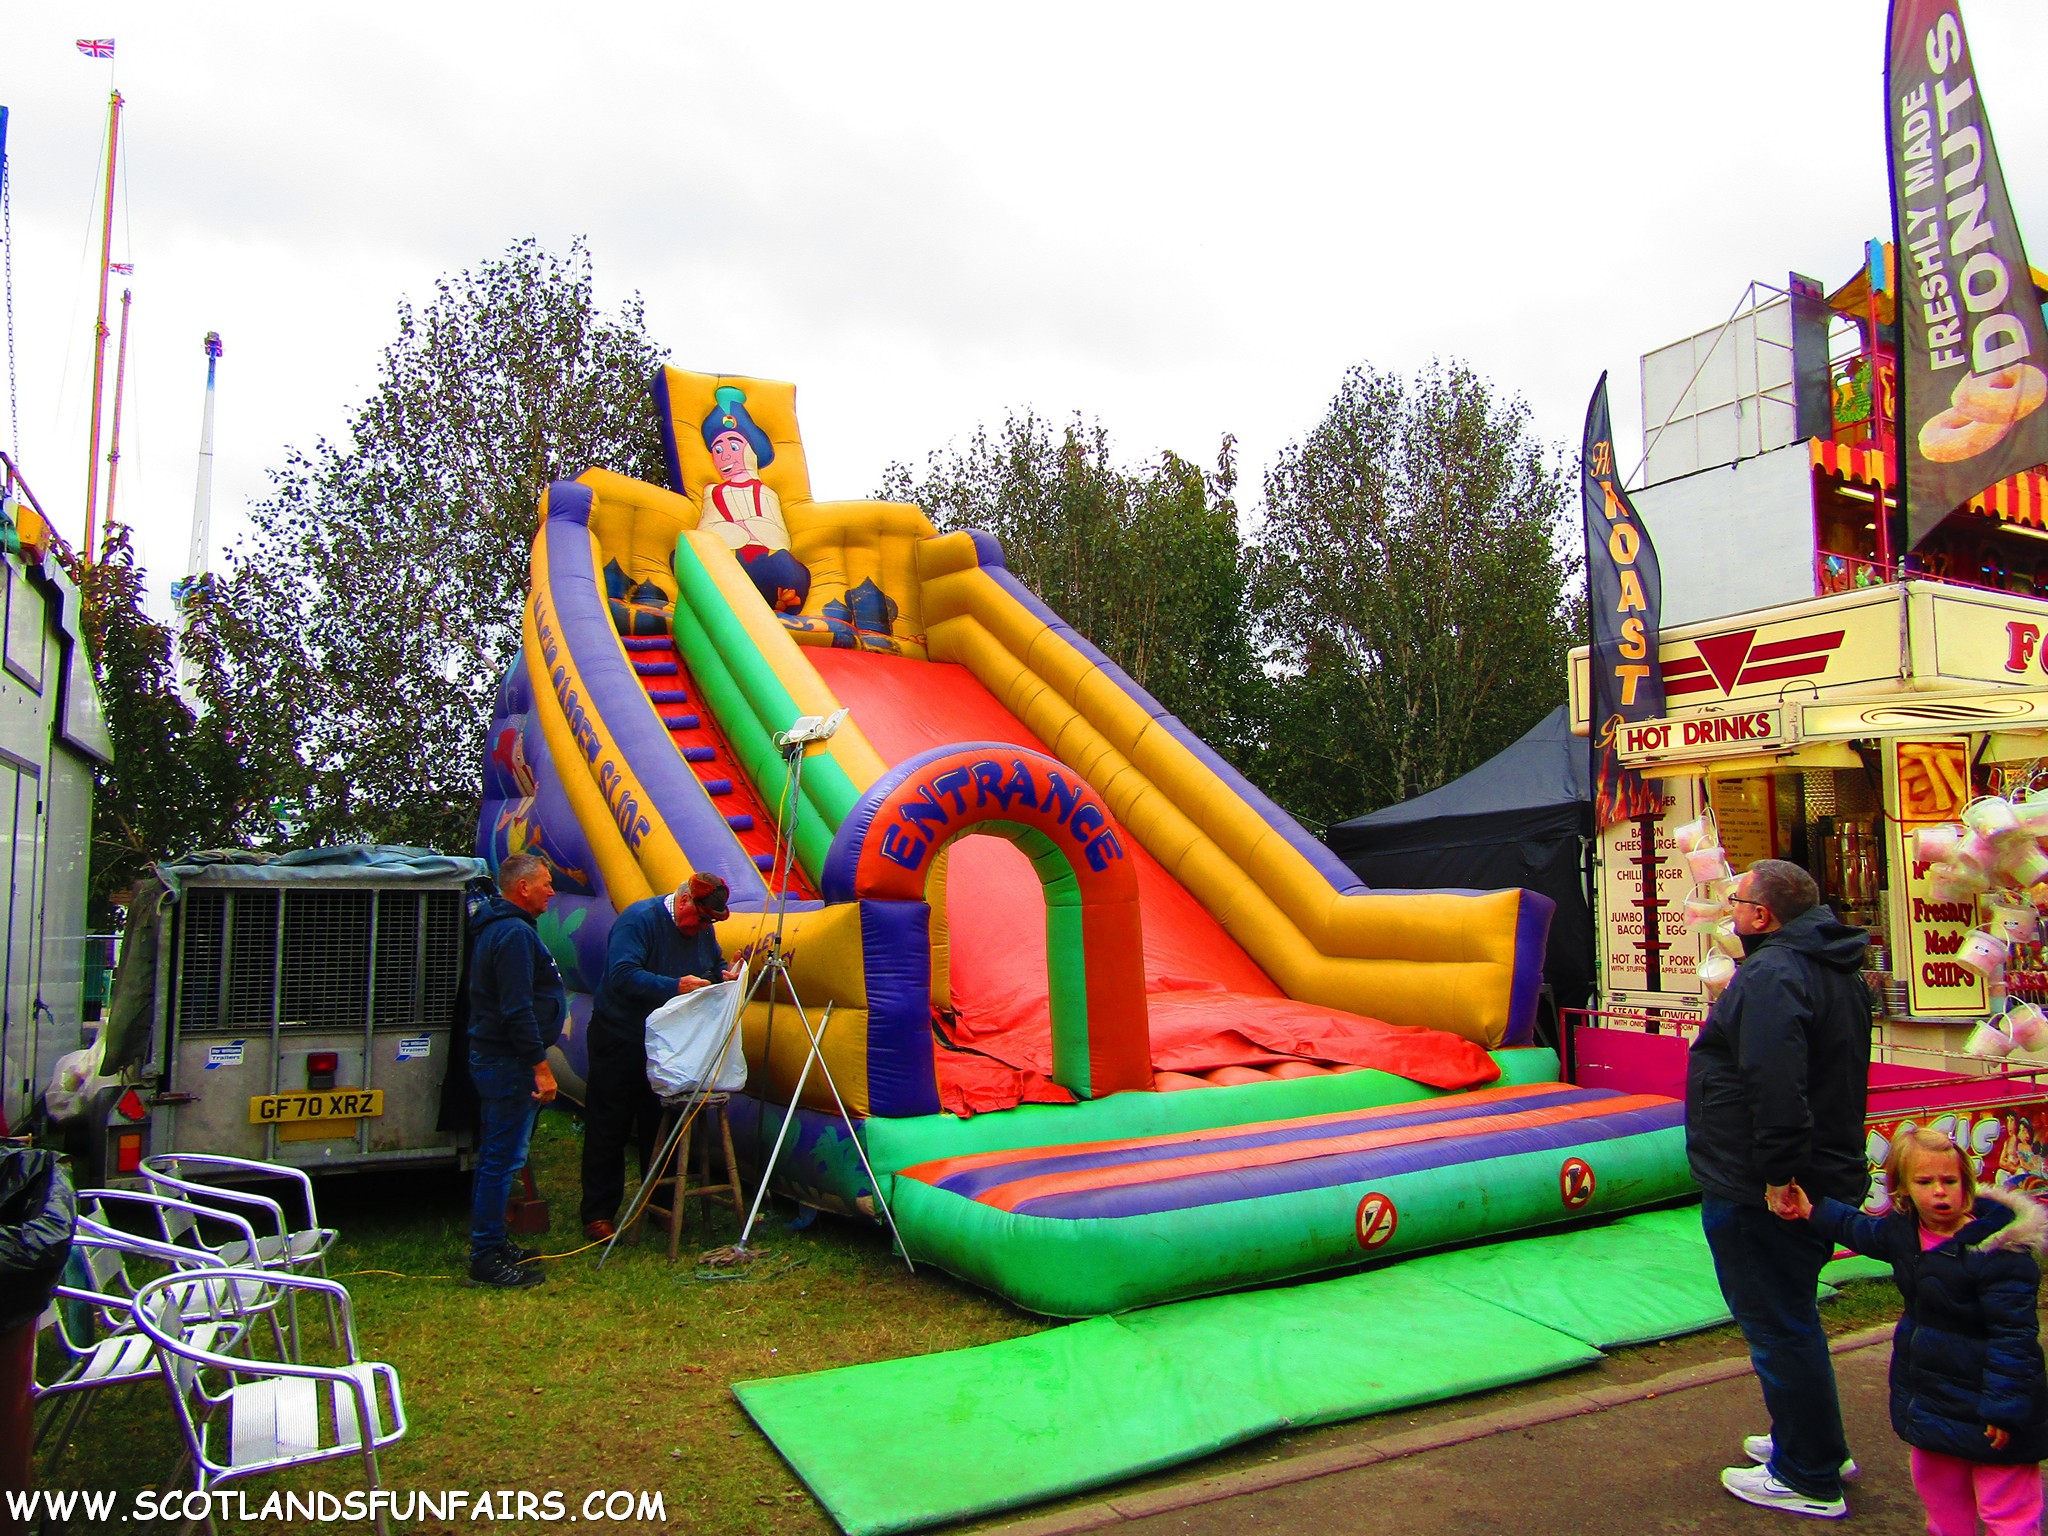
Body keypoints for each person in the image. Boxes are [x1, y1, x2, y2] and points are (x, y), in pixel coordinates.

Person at [1685, 857, 1872, 1518]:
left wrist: (1777, 1175)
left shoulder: (1773, 975)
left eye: (1737, 901)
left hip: (1765, 1182)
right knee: (1793, 1313)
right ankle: (1813, 1441)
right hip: (1822, 1165)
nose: (1731, 911)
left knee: (1778, 1323)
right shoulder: (1834, 968)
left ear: (1761, 915)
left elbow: (1775, 1082)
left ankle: (1808, 1474)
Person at [1786, 1128, 2048, 1535]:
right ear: (1902, 1191)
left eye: (1949, 1181)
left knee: (2006, 1505)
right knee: (1940, 1494)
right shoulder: (1904, 1232)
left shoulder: (2000, 1254)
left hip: (1992, 1403)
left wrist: (2005, 1409)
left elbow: (2013, 1338)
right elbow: (1861, 1229)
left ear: (1967, 1183)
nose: (1939, 1192)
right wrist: (1813, 1211)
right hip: (1932, 1396)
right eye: (1925, 1182)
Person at [579, 871, 737, 1241]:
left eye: (710, 923)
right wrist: (673, 986)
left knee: (663, 1123)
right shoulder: (638, 921)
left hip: (667, 1042)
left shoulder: (702, 929)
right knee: (610, 1123)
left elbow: (711, 964)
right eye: (701, 919)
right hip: (619, 1035)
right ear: (684, 901)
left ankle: (661, 1204)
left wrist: (724, 975)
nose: (703, 928)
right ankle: (598, 1213)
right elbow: (621, 975)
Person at [465, 852, 566, 1289]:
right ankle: (485, 1257)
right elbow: (516, 1008)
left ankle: (493, 1241)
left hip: (501, 1058)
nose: (551, 891)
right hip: (508, 1062)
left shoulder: (504, 927)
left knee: (500, 1156)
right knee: (501, 1160)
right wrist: (540, 1067)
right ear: (523, 887)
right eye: (546, 883)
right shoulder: (512, 934)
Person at [697, 385, 810, 614]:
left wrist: (748, 526)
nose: (726, 456)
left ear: (751, 451)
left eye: (734, 446)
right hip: (730, 559)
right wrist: (738, 532)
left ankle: (780, 601)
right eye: (718, 450)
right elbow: (705, 531)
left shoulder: (766, 493)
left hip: (766, 561)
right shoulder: (713, 492)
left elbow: (780, 537)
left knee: (787, 568)